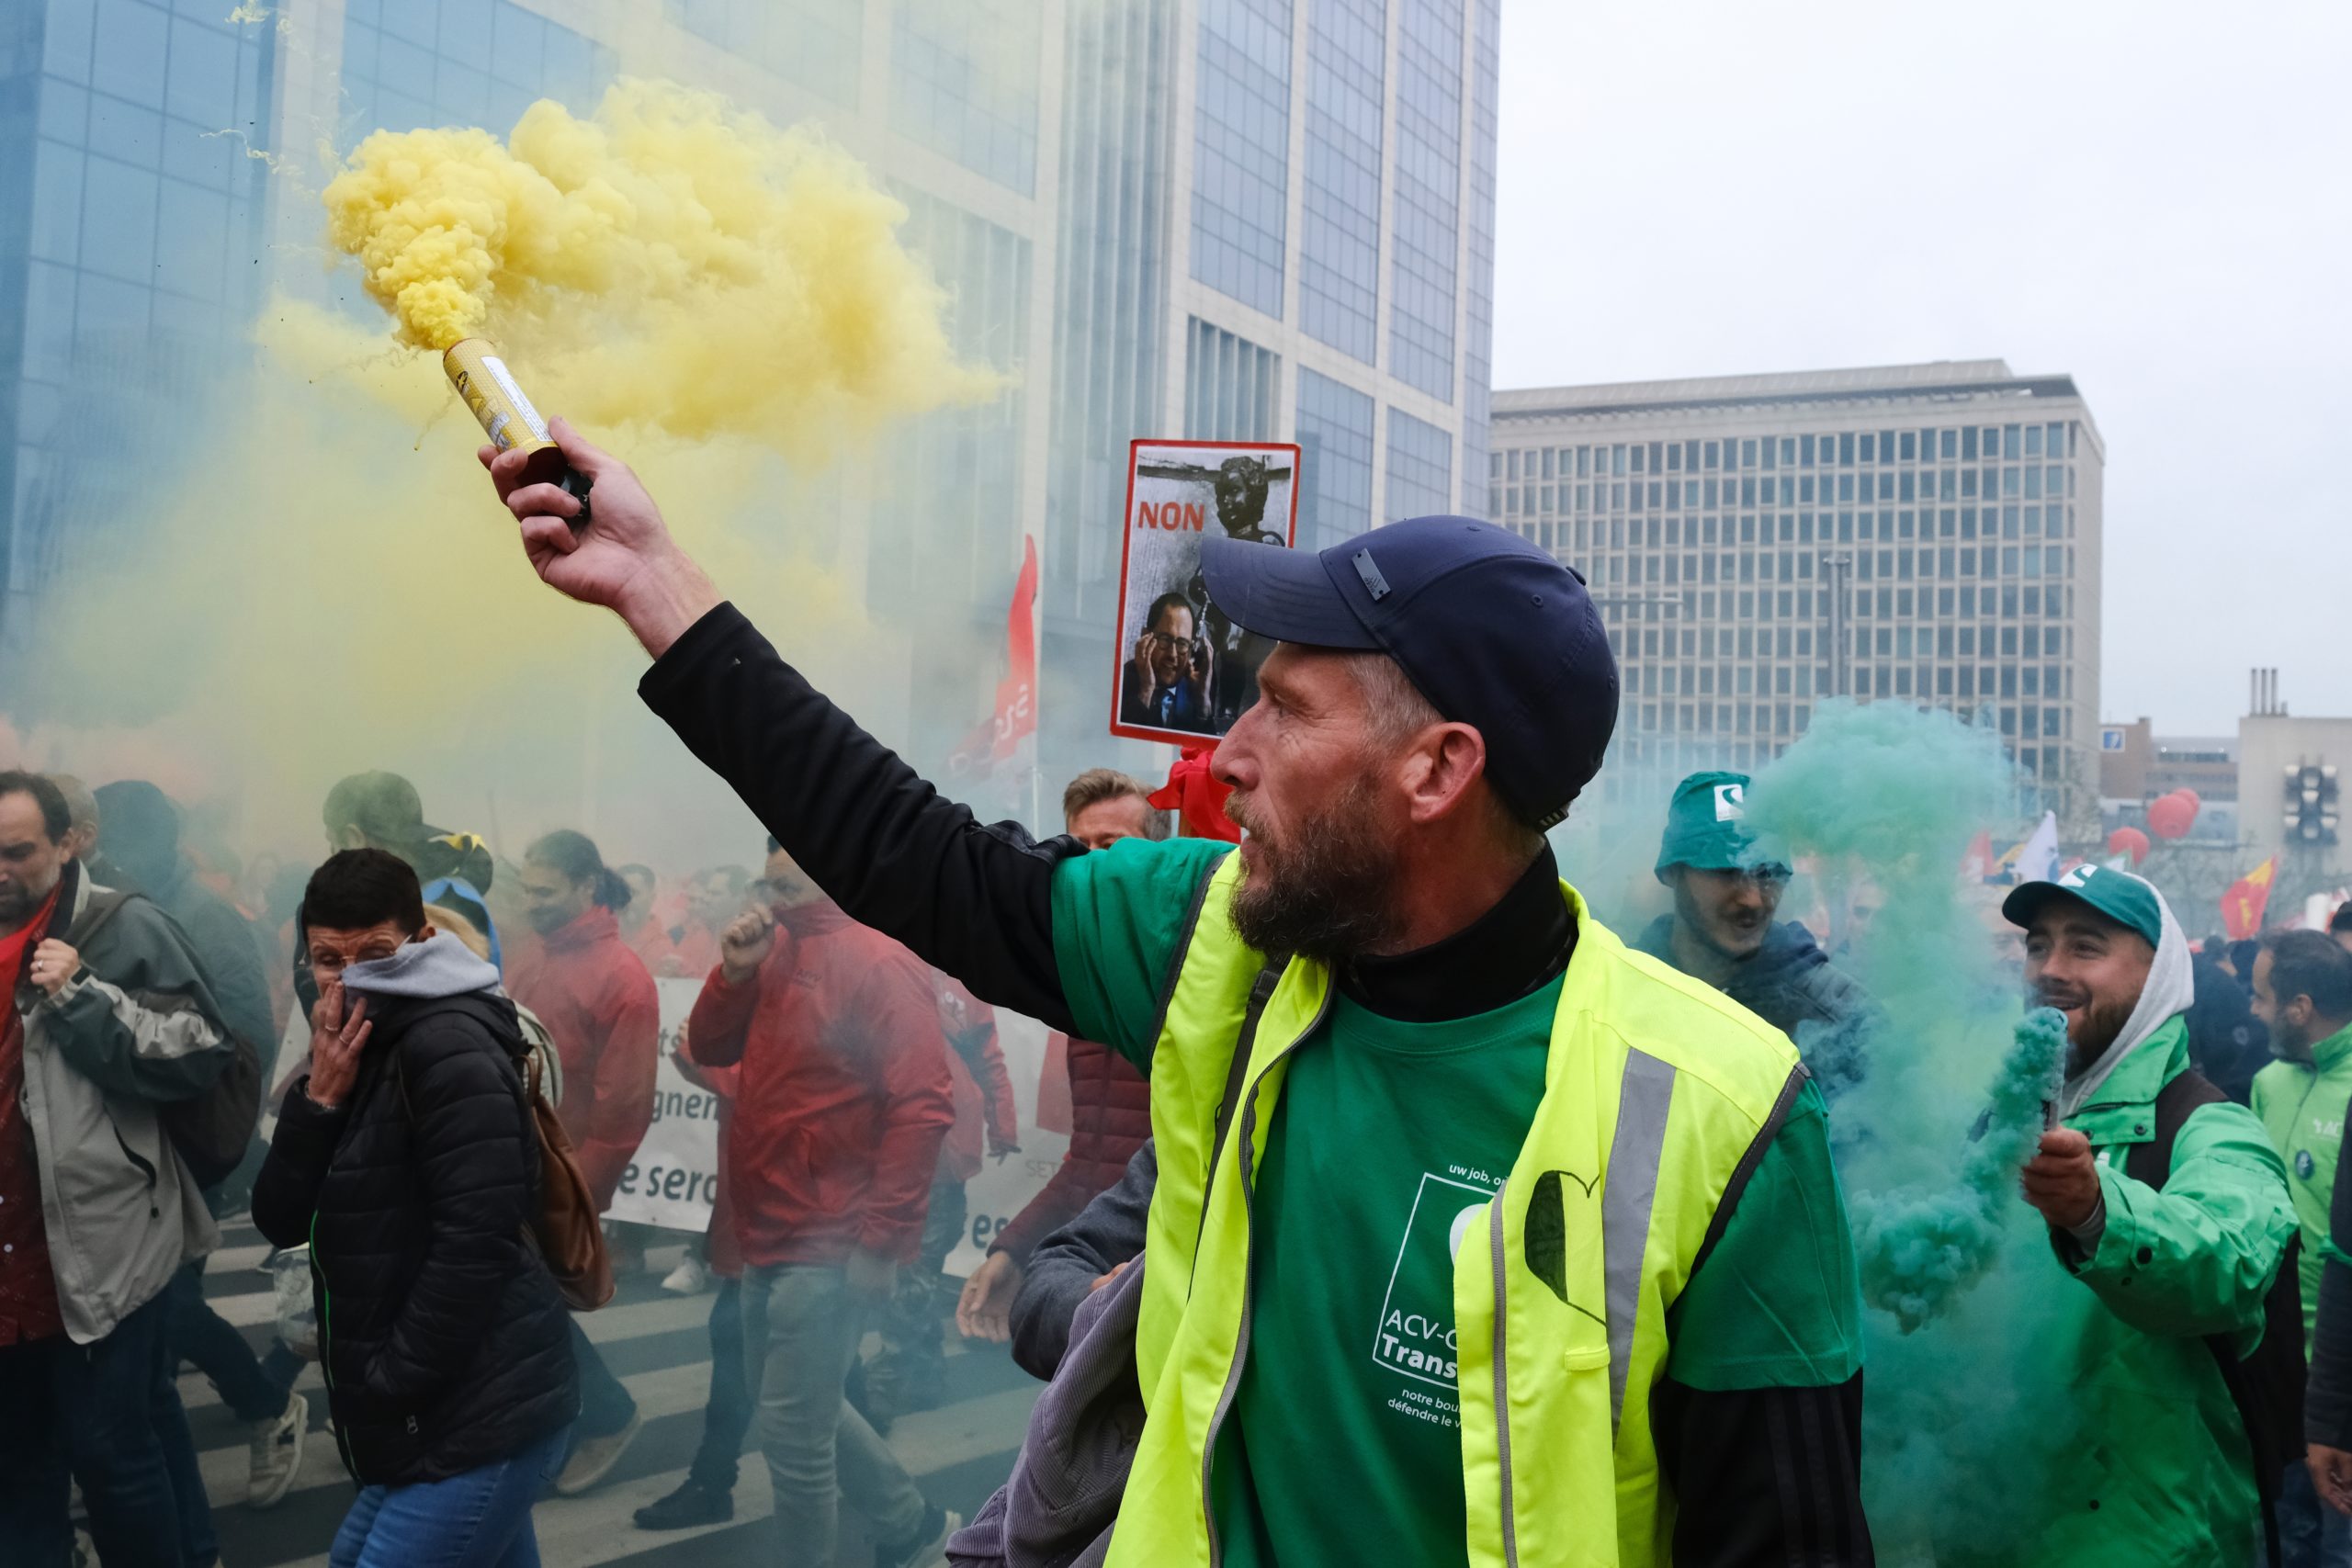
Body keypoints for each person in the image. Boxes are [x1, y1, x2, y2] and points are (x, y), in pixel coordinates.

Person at [487, 423, 1874, 1565]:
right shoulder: (1224, 929)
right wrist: (658, 585)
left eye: (1287, 704)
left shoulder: (1726, 1113)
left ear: (1438, 769)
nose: (1232, 748)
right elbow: (920, 857)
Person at [251, 849, 576, 1568]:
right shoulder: (347, 1042)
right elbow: (278, 1216)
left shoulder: (448, 1041)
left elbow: (478, 1240)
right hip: (436, 1404)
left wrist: (394, 1378)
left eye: (375, 952)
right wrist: (320, 1100)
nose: (350, 973)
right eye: (328, 957)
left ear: (422, 941)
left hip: (480, 1404)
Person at [2000, 863, 2298, 1563]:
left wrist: (2099, 1211)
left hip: (2150, 1543)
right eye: (2038, 945)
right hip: (1997, 1528)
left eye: (2086, 946)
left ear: (2158, 974)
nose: (2052, 968)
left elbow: (2231, 1260)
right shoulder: (1998, 1116)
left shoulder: (2209, 1124)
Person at [684, 840, 959, 1566]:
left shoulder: (880, 960)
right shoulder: (771, 945)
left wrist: (880, 1242)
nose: (774, 886)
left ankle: (904, 1533)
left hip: (832, 1237)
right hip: (767, 1225)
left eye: (789, 873)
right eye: (768, 872)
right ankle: (913, 1527)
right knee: (787, 1401)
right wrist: (732, 974)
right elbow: (709, 1047)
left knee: (792, 1438)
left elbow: (924, 1105)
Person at [0, 770, 232, 1568]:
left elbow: (202, 1050)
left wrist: (83, 994)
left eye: (17, 850)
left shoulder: (119, 925)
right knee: (19, 1469)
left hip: (100, 1248)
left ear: (67, 844)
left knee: (112, 1457)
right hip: (9, 1258)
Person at [89, 780, 310, 1515]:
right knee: (148, 1329)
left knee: (169, 1308)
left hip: (190, 1150)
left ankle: (264, 1407)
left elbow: (241, 1045)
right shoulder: (119, 908)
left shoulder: (204, 920)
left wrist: (215, 1152)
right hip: (129, 1157)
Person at [957, 770, 1156, 1345]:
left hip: (1156, 1292)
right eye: (1079, 846)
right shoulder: (1088, 993)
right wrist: (1014, 1251)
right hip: (1091, 1281)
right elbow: (1088, 1164)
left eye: (1112, 844)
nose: (1092, 863)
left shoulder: (1192, 979)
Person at [503, 828, 659, 1494]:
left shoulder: (625, 978)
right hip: (512, 1159)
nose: (532, 902)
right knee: (513, 1299)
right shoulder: (533, 957)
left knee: (528, 1300)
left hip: (562, 1176)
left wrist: (577, 1199)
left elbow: (623, 1113)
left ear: (587, 887)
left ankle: (608, 1412)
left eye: (545, 891)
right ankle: (548, 1420)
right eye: (527, 890)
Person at [1633, 769, 1878, 1100]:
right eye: (1725, 872)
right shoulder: (1617, 988)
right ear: (1672, 872)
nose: (1752, 898)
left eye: (1767, 874)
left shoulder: (1841, 1017)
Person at [2251, 931, 2352, 1567]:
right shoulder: (2266, 1083)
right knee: (2279, 1537)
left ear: (2300, 1006)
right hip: (2268, 1359)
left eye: (2264, 998)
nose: (2253, 1010)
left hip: (2341, 1379)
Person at [633, 1040, 753, 1531]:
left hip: (798, 1222)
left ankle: (711, 1481)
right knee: (823, 1352)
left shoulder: (833, 981)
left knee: (733, 1339)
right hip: (778, 1216)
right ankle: (900, 1512)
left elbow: (768, 1080)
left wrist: (698, 1051)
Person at [1183, 455, 1286, 729]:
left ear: (1253, 497)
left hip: (1248, 620)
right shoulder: (1218, 548)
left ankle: (1228, 710)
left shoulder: (1266, 540)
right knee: (1204, 642)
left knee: (1233, 642)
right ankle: (1204, 703)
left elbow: (1269, 582)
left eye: (1232, 492)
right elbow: (1196, 583)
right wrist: (1205, 591)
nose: (1224, 501)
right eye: (1221, 496)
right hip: (1218, 615)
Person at [1119, 591, 1213, 733]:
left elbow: (1209, 753)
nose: (1173, 654)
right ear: (1146, 636)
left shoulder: (1195, 691)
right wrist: (1146, 690)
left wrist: (1203, 701)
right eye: (1165, 639)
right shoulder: (1121, 682)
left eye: (1182, 643)